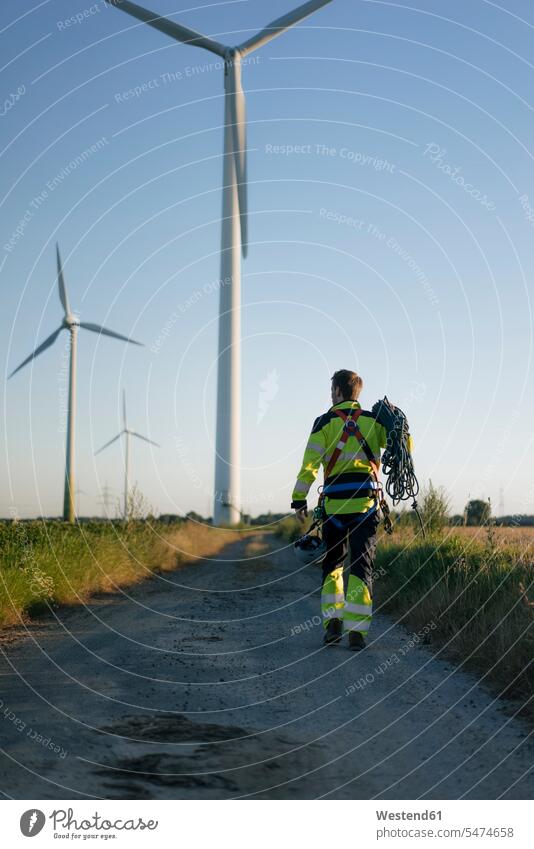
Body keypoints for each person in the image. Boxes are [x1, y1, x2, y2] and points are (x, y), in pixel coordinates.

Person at [291, 370, 388, 651]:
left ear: (336, 391)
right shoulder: (374, 421)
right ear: (357, 392)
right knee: (362, 567)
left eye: (331, 389)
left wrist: (299, 499)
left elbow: (309, 465)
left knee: (332, 566)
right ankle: (357, 633)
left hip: (334, 508)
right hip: (367, 507)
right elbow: (404, 447)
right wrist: (398, 424)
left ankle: (333, 625)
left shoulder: (323, 423)